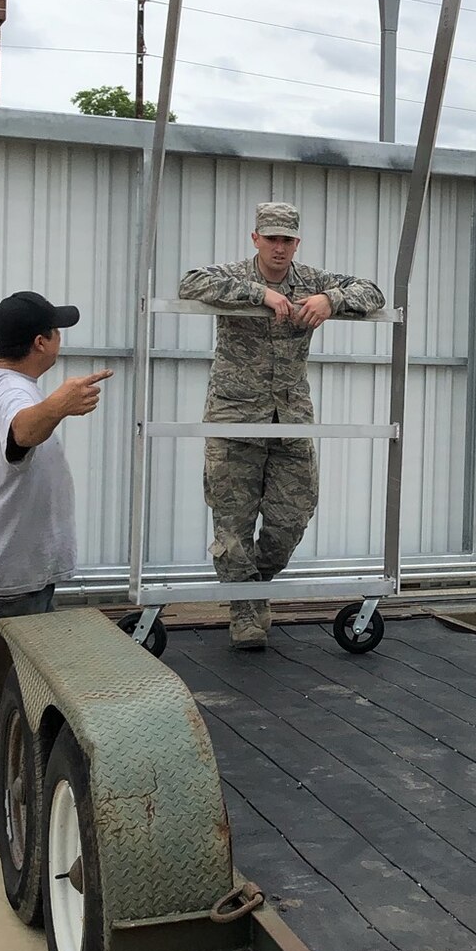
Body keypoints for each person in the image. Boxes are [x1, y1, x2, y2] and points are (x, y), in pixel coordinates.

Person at [0, 291, 110, 854]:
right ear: (42, 343)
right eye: (56, 331)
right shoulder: (16, 392)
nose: (61, 338)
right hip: (1, 583)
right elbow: (22, 432)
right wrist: (58, 404)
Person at [179, 201, 384, 651]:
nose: (278, 247)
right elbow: (190, 282)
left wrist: (332, 299)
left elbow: (373, 293)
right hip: (235, 418)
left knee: (291, 519)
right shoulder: (233, 273)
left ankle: (256, 586)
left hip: (290, 418)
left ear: (297, 243)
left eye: (286, 240)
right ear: (255, 238)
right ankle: (246, 612)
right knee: (232, 525)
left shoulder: (311, 281)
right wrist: (260, 296)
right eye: (270, 238)